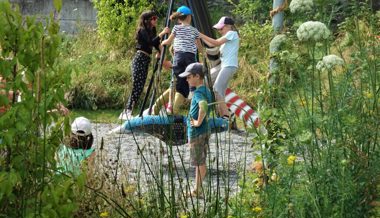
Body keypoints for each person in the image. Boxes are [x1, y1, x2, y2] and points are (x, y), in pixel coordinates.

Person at [119, 10, 170, 120]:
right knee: (137, 86)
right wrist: (162, 34)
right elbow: (150, 42)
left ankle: (128, 111)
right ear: (148, 20)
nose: (156, 20)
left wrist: (163, 54)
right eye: (154, 18)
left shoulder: (152, 31)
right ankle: (127, 111)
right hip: (140, 59)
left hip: (146, 60)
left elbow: (156, 44)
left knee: (140, 86)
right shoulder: (142, 31)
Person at [161, 5, 202, 114]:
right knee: (189, 79)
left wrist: (163, 42)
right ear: (189, 17)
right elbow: (199, 47)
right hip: (190, 58)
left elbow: (169, 42)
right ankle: (191, 95)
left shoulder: (176, 28)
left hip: (178, 57)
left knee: (174, 80)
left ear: (179, 18)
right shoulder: (194, 30)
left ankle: (170, 105)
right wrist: (203, 53)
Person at [179, 63, 212, 198]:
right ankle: (197, 189)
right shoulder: (206, 90)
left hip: (197, 132)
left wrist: (198, 122)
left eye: (188, 77)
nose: (186, 80)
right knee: (200, 160)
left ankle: (197, 190)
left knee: (199, 162)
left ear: (197, 76)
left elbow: (203, 106)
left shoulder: (198, 92)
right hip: (204, 130)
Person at [199, 16, 239, 119]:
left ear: (228, 26)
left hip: (229, 66)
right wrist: (200, 37)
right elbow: (212, 45)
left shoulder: (232, 33)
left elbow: (216, 42)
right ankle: (226, 114)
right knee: (220, 90)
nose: (220, 31)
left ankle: (226, 115)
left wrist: (200, 34)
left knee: (217, 88)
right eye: (219, 29)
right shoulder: (227, 38)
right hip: (225, 66)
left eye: (221, 28)